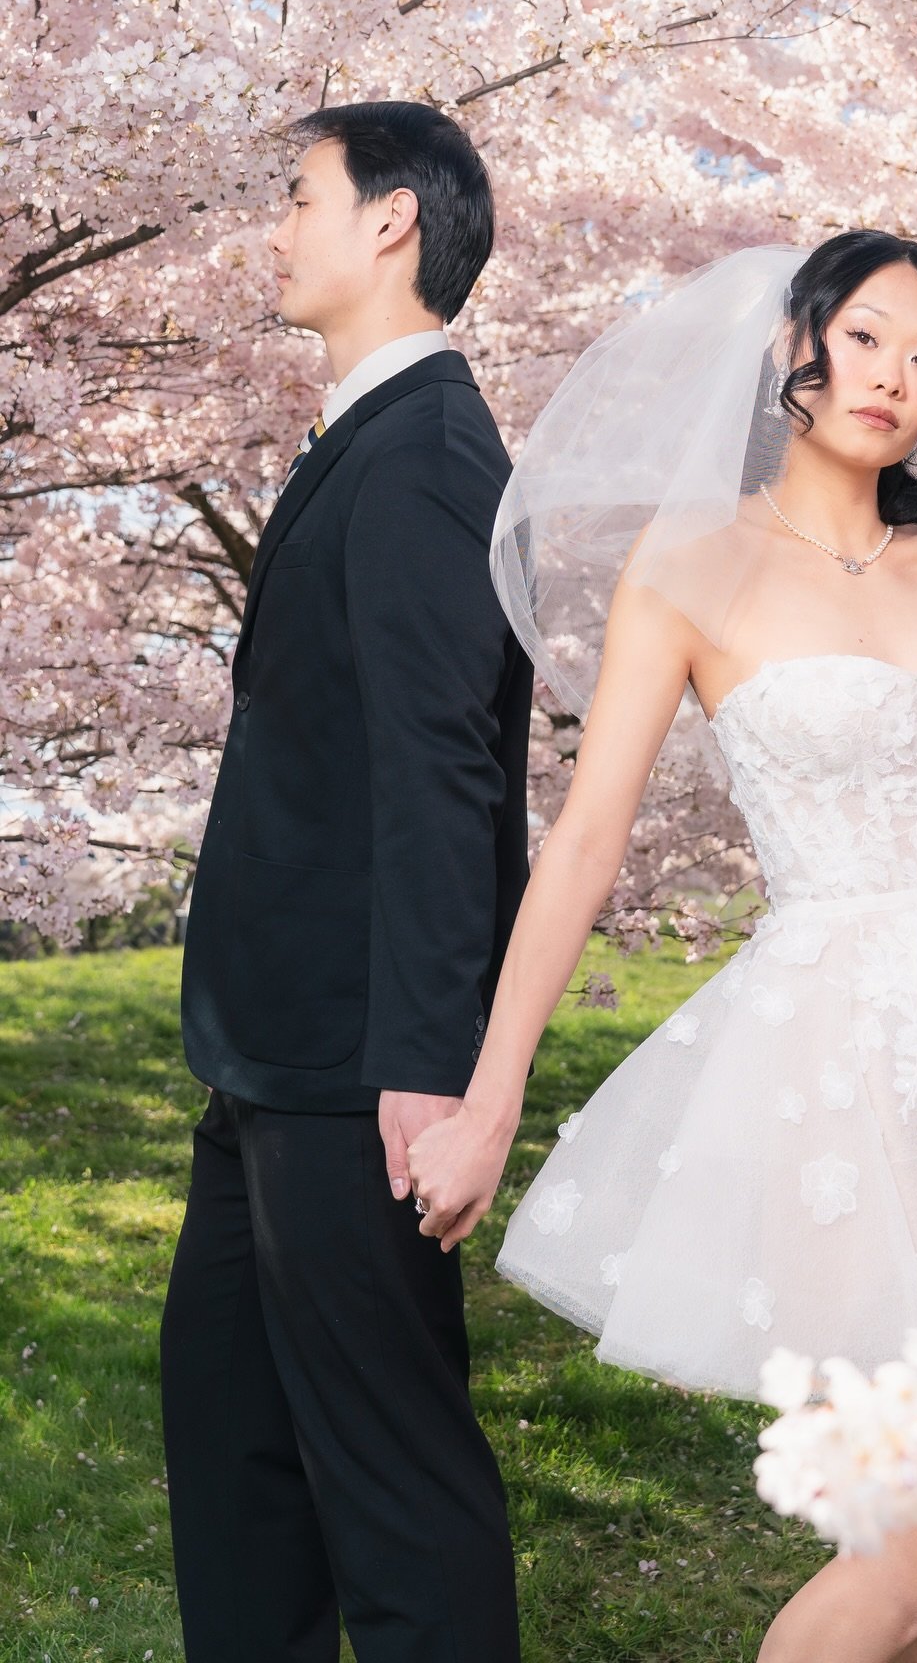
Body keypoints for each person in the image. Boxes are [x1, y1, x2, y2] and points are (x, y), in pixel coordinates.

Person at [407, 233, 917, 1663]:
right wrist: (491, 1102)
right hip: (838, 1059)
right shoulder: (693, 567)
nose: (893, 378)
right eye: (864, 338)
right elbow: (587, 842)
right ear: (794, 345)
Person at [161, 101, 530, 1662]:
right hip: (267, 1059)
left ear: (392, 222)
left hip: (355, 1074)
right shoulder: (368, 439)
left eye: (300, 195)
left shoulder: (428, 455)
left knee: (396, 1486)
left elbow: (446, 775)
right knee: (232, 1456)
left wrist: (428, 1072)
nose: (276, 228)